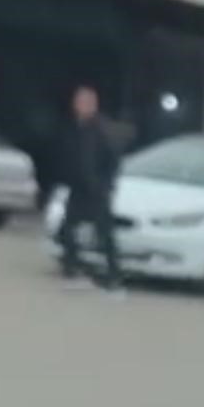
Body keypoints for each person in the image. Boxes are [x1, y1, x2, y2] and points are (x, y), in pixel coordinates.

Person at [56, 85, 123, 291]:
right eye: (78, 101)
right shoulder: (74, 127)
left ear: (93, 105)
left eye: (85, 102)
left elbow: (113, 159)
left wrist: (105, 183)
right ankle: (72, 266)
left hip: (96, 189)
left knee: (105, 233)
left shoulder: (101, 129)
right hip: (78, 187)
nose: (80, 106)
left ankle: (113, 274)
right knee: (66, 229)